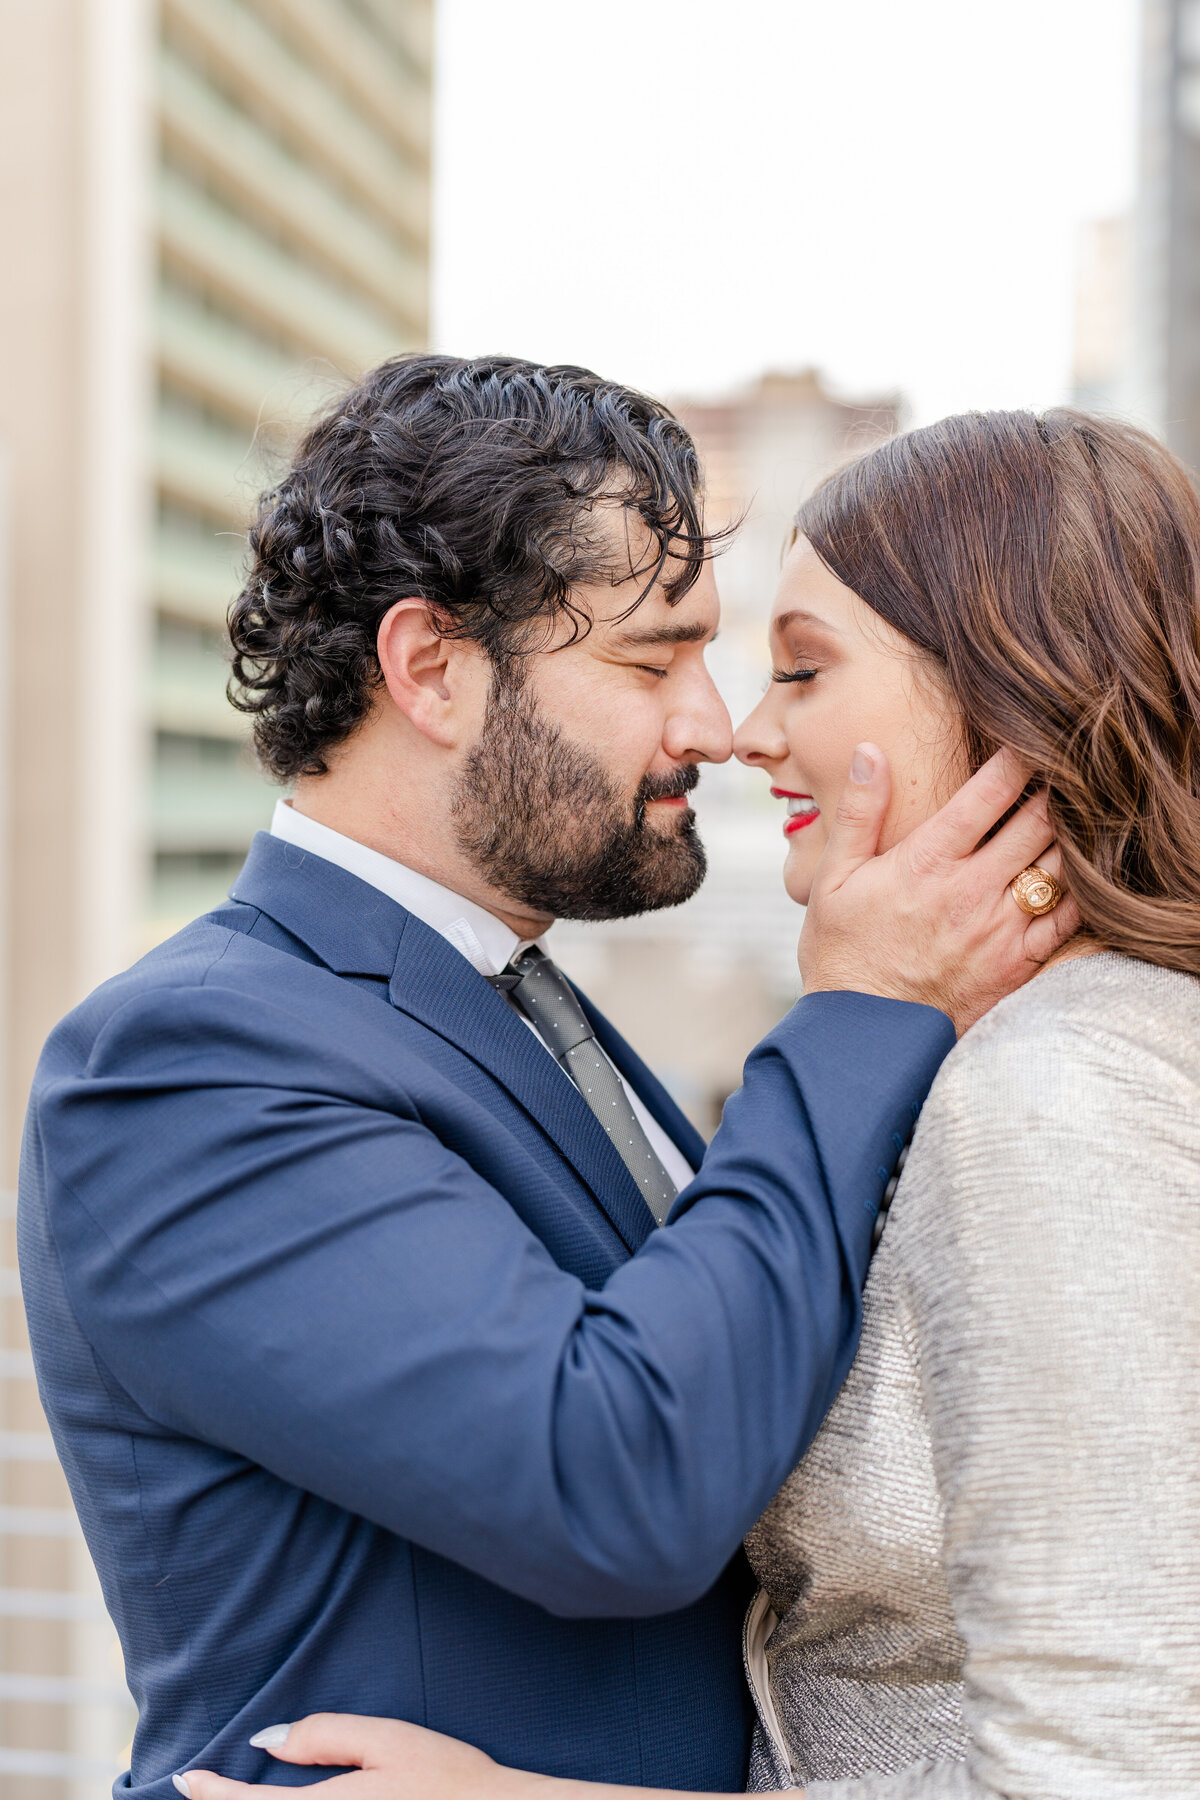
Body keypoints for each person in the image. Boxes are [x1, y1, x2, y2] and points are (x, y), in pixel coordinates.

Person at [19, 362, 1069, 1800]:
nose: (711, 725)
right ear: (433, 669)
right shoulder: (189, 1063)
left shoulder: (520, 995)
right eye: (652, 663)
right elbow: (615, 1483)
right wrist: (863, 1008)